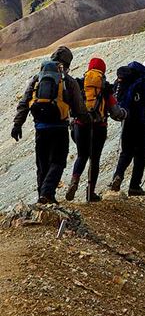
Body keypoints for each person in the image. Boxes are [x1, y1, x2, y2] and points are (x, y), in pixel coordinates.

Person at [11, 46, 88, 204]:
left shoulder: (36, 79)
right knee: (58, 161)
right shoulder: (68, 80)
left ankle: (43, 197)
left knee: (42, 163)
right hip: (59, 128)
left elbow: (24, 102)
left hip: (40, 128)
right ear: (67, 63)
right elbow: (79, 107)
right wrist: (86, 119)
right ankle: (47, 193)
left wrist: (17, 124)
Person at [66, 57, 127, 202]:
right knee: (95, 159)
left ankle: (74, 181)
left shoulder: (79, 84)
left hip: (80, 126)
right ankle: (90, 192)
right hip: (99, 127)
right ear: (103, 70)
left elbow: (70, 106)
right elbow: (115, 112)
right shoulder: (105, 88)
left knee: (82, 155)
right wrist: (124, 114)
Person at [109, 57, 145, 196]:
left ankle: (117, 177)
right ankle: (134, 186)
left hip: (126, 121)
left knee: (126, 153)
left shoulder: (126, 79)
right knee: (141, 155)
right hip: (142, 123)